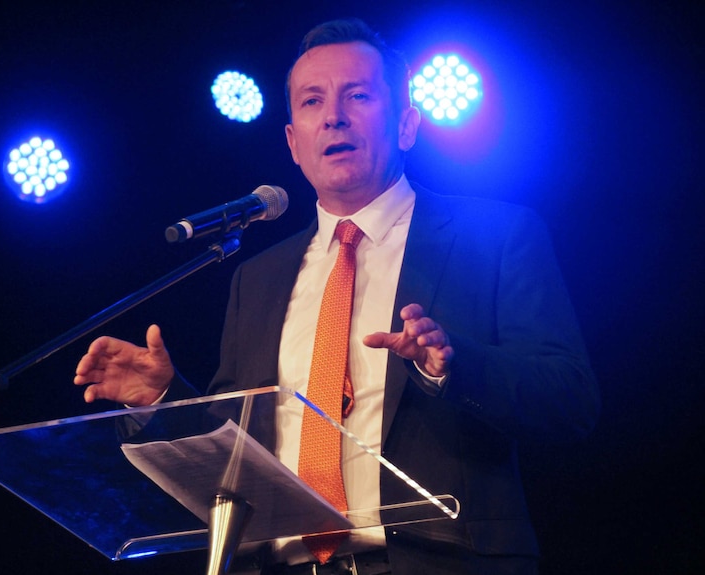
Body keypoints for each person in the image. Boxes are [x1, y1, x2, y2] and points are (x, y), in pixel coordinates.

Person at [74, 18, 600, 575]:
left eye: (359, 95)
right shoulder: (256, 278)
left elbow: (569, 400)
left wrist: (450, 367)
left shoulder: (496, 236)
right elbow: (238, 453)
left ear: (406, 125)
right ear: (293, 142)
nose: (334, 116)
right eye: (312, 101)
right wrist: (163, 402)